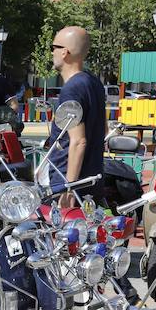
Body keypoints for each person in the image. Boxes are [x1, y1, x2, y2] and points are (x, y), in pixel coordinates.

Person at [42, 25, 107, 208]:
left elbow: (79, 141)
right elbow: (104, 129)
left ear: (65, 52)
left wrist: (68, 188)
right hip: (92, 177)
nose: (52, 53)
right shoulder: (94, 83)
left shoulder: (71, 89)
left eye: (53, 47)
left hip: (69, 180)